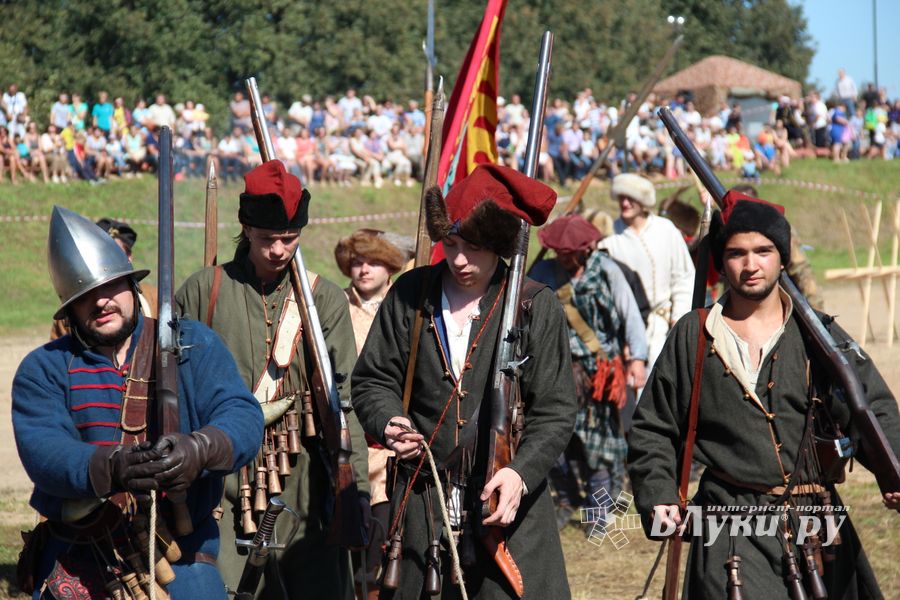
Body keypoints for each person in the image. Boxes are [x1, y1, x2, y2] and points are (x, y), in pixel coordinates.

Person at [627, 190, 900, 599]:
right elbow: (653, 426)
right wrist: (659, 494)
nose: (751, 265)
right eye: (737, 253)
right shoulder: (694, 334)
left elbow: (873, 408)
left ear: (782, 257)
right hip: (727, 526)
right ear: (722, 260)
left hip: (817, 525)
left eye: (763, 250)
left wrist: (891, 466)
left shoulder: (819, 335)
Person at [12, 206, 263, 600]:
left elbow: (242, 416)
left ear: (130, 284)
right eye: (85, 297)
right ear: (70, 309)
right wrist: (110, 467)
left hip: (181, 548)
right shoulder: (44, 368)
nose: (101, 302)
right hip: (81, 550)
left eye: (110, 288)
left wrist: (198, 448)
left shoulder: (193, 344)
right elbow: (44, 451)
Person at [352, 164, 577, 599]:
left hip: (508, 509)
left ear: (497, 244)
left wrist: (519, 474)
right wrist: (390, 422)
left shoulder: (534, 306)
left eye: (472, 247)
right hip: (422, 502)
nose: (457, 260)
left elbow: (555, 411)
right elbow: (372, 380)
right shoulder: (411, 292)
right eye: (450, 244)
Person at [176, 160, 370, 600]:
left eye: (289, 239)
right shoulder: (204, 290)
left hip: (302, 477)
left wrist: (355, 485)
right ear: (246, 229)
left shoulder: (323, 299)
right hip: (218, 477)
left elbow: (346, 398)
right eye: (267, 239)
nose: (279, 251)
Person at [530, 214, 648, 529]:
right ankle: (566, 499)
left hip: (600, 373)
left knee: (600, 443)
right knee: (554, 440)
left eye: (570, 251)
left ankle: (598, 512)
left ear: (586, 248)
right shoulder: (542, 273)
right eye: (560, 251)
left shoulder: (608, 272)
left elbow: (630, 315)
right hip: (554, 369)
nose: (564, 257)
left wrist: (637, 358)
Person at [334, 228, 412, 598]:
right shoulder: (334, 307)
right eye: (357, 262)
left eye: (373, 261)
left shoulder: (407, 305)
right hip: (350, 439)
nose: (363, 269)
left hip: (402, 440)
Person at [599, 173, 694, 368]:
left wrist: (679, 317)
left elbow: (683, 276)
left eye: (631, 198)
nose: (625, 203)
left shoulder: (665, 229)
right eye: (621, 198)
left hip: (665, 324)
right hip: (626, 332)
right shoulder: (610, 238)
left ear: (643, 201)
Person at [51, 217, 158, 339]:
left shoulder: (155, 298)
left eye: (114, 256)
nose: (100, 301)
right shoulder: (74, 310)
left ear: (128, 257)